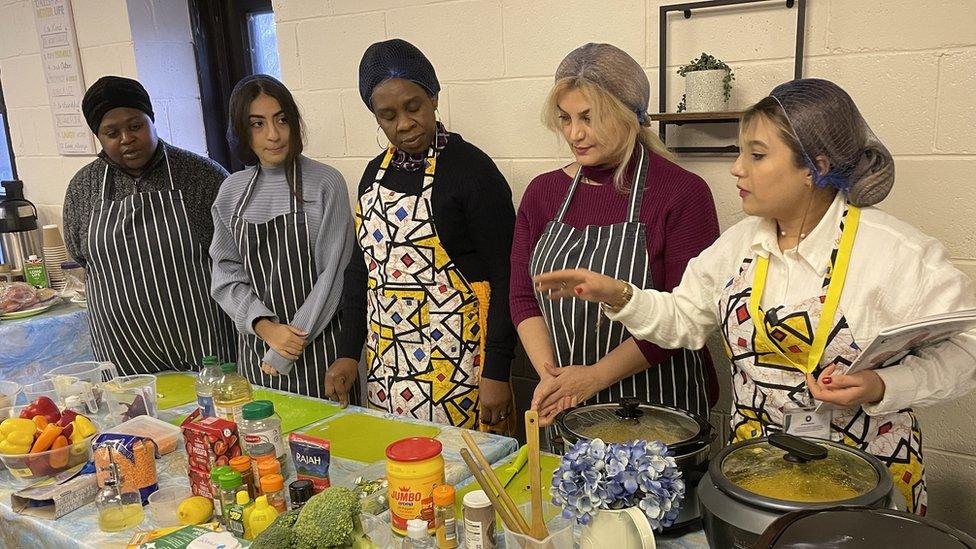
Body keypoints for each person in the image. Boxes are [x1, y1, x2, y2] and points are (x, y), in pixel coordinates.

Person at [534, 78, 976, 514]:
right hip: (756, 476)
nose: (736, 168)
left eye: (757, 155)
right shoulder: (740, 245)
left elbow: (968, 347)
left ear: (814, 167)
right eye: (739, 152)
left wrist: (886, 384)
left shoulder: (894, 253)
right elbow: (684, 319)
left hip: (868, 481)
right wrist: (621, 294)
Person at [510, 43, 720, 427]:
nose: (575, 133)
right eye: (565, 118)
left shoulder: (683, 193)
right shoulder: (542, 194)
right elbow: (523, 296)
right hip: (566, 403)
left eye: (589, 117)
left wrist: (594, 377)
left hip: (658, 404)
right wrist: (554, 380)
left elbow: (687, 315)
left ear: (629, 115)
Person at [326, 39, 517, 432]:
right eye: (388, 115)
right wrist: (349, 352)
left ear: (433, 96)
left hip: (457, 363)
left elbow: (507, 276)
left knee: (458, 477)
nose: (404, 124)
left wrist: (497, 371)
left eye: (413, 107)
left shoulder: (472, 171)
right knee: (396, 470)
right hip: (386, 365)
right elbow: (361, 270)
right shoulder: (372, 174)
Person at [63, 76, 235, 374]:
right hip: (121, 348)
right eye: (111, 132)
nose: (126, 138)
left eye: (135, 125)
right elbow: (79, 253)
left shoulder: (202, 176)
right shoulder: (82, 188)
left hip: (201, 342)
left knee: (212, 419)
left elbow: (234, 255)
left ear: (152, 120)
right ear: (98, 137)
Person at [210, 75, 355, 399]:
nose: (273, 135)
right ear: (242, 131)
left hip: (321, 355)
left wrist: (286, 346)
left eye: (281, 120)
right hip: (258, 356)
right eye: (258, 124)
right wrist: (266, 328)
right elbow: (226, 276)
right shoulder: (231, 192)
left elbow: (332, 277)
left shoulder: (325, 183)